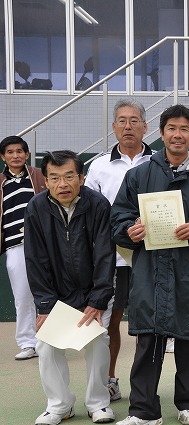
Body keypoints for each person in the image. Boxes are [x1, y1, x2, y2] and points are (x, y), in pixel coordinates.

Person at [111, 104, 189, 425]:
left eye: (184, 129)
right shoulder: (139, 175)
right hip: (149, 271)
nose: (177, 135)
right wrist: (130, 230)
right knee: (148, 341)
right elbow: (118, 218)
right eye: (171, 129)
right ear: (161, 133)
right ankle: (143, 411)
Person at [24, 150, 116, 424]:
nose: (62, 184)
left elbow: (105, 255)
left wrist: (97, 300)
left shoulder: (98, 205)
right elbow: (35, 259)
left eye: (69, 176)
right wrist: (45, 305)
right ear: (45, 181)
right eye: (54, 178)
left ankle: (98, 403)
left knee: (98, 341)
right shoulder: (36, 207)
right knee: (46, 345)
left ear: (81, 178)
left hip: (93, 291)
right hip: (55, 294)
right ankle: (60, 405)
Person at [85, 98, 153, 402]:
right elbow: (90, 214)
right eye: (122, 121)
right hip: (110, 259)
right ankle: (108, 380)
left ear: (145, 127)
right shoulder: (98, 166)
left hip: (149, 255)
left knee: (149, 322)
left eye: (134, 120)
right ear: (113, 127)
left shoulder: (158, 161)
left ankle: (146, 385)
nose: (128, 126)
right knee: (110, 322)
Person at [0, 135, 46, 360]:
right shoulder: (1, 182)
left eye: (19, 151)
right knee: (22, 295)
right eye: (10, 152)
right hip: (14, 246)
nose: (15, 155)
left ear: (27, 154)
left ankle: (53, 340)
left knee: (52, 290)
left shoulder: (39, 176)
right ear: (3, 157)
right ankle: (28, 343)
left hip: (45, 244)